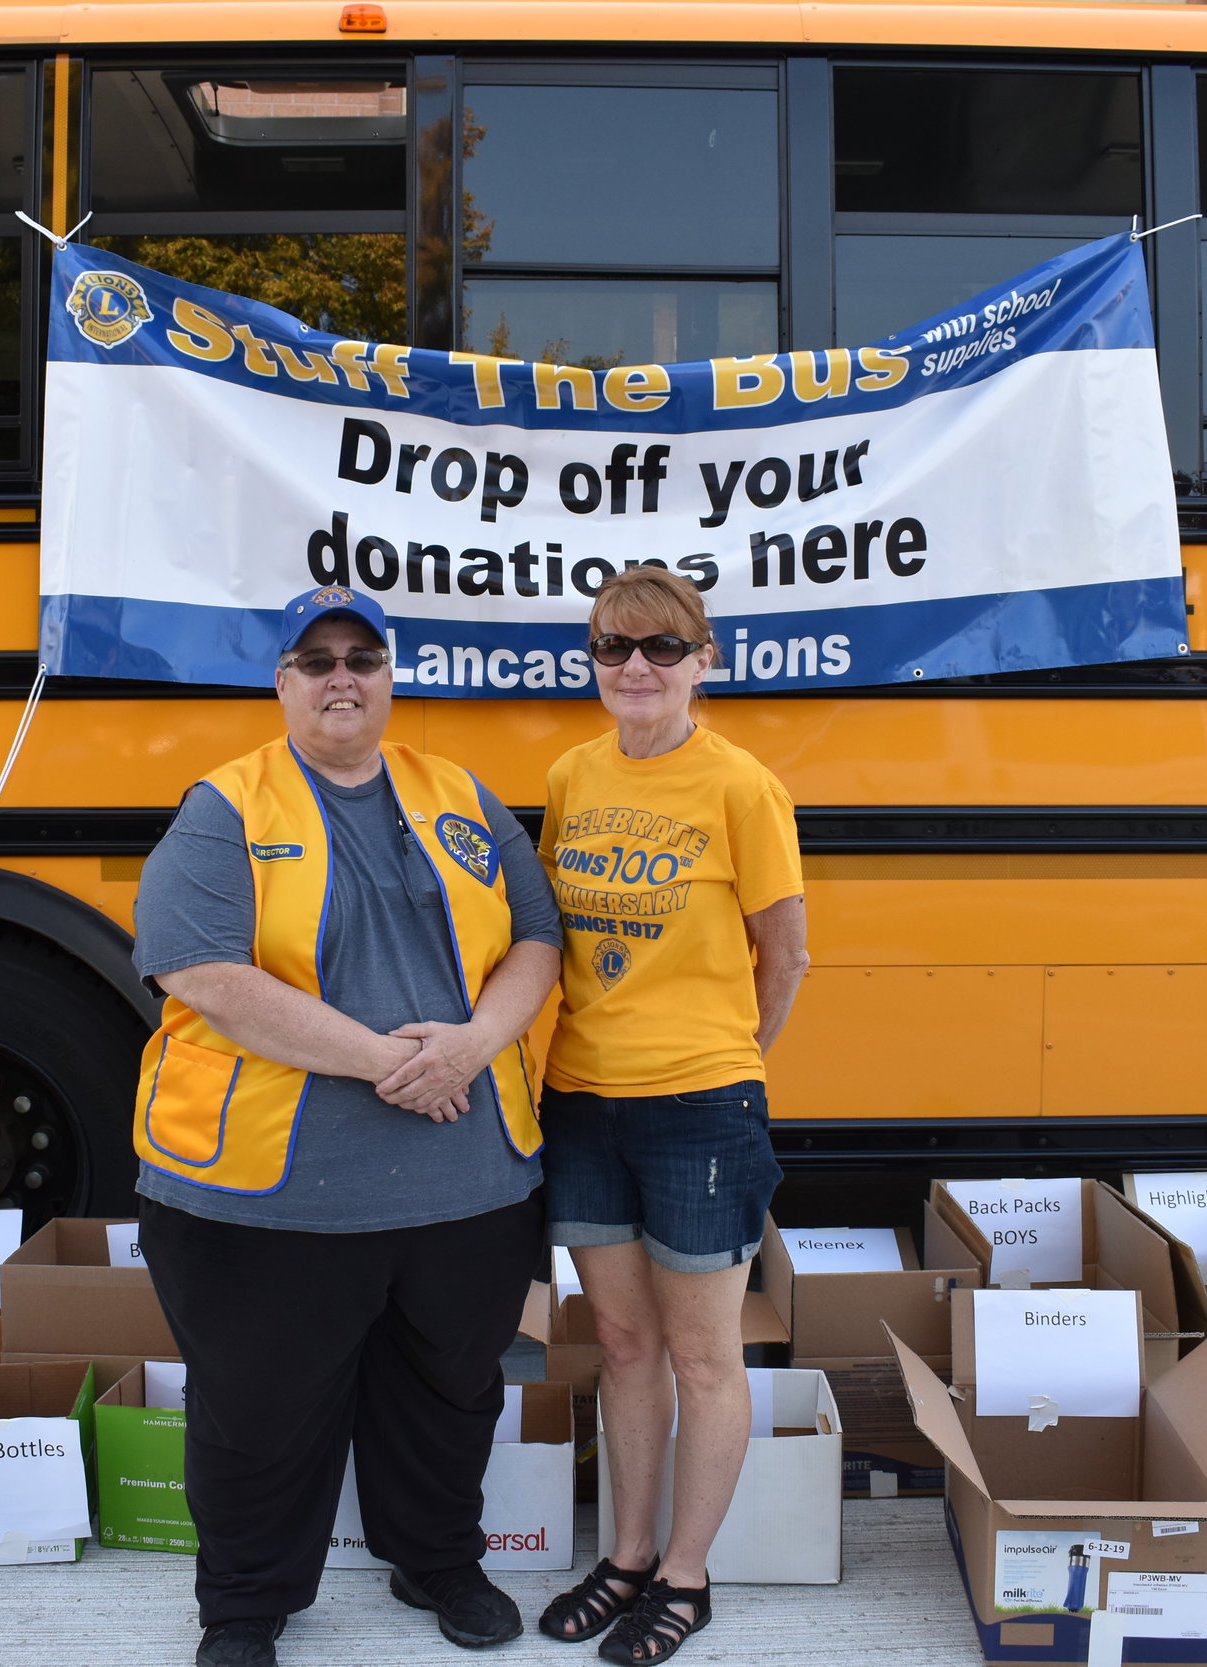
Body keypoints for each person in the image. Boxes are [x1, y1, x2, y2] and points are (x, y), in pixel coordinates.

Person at [130, 586, 564, 1667]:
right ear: (280, 681)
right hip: (265, 1197)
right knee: (257, 1413)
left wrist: (465, 1047)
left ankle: (437, 1560)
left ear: (388, 676)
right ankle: (244, 1607)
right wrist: (388, 1063)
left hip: (466, 1185)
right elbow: (203, 972)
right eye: (313, 657)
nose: (340, 675)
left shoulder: (457, 792)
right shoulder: (225, 806)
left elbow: (539, 938)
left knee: (449, 1393)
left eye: (361, 656)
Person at [531, 566, 810, 1665]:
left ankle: (687, 1578)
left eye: (660, 646)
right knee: (622, 1340)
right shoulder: (570, 774)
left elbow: (782, 955)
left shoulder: (741, 786)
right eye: (612, 647)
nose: (634, 667)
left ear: (705, 658)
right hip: (583, 1101)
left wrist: (723, 1062)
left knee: (704, 1357)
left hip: (698, 1107)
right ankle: (627, 1555)